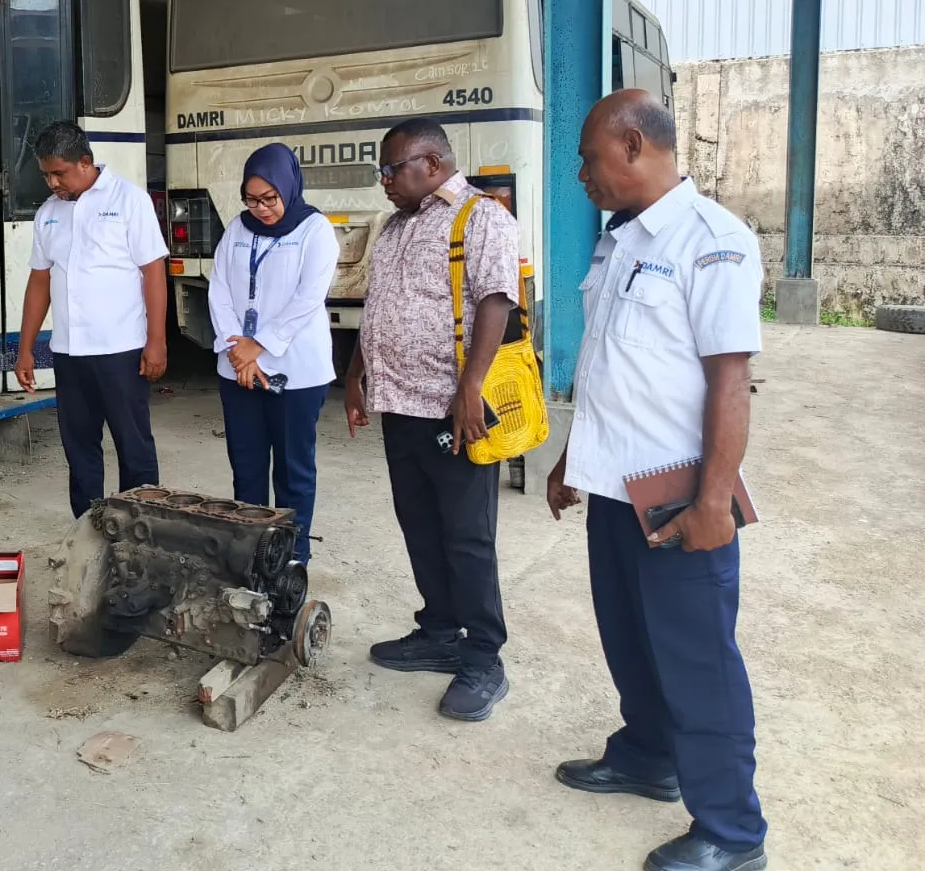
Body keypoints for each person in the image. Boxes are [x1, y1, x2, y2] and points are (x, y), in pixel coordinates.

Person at [546, 89, 769, 871]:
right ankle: (648, 756)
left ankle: (732, 832)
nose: (581, 175)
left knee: (698, 659)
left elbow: (730, 380)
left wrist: (714, 501)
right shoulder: (618, 241)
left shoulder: (712, 241)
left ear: (633, 145)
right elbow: (612, 365)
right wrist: (572, 458)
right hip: (615, 486)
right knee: (630, 637)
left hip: (676, 495)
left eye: (588, 158)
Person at [345, 117, 519, 722]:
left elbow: (495, 301)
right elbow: (380, 307)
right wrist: (357, 374)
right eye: (382, 171)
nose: (385, 181)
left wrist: (470, 388)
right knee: (419, 524)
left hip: (453, 409)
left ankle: (484, 658)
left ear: (434, 164)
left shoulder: (481, 217)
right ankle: (440, 631)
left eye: (393, 169)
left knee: (467, 536)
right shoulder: (395, 226)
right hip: (400, 403)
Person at [16, 121, 168, 518]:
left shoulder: (129, 201)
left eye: (59, 173)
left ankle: (139, 529)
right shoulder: (48, 214)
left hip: (121, 350)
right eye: (46, 175)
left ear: (85, 162)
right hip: (70, 353)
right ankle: (87, 529)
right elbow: (40, 281)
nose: (52, 183)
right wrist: (25, 348)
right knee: (79, 448)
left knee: (133, 445)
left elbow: (153, 272)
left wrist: (156, 341)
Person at [207, 143, 338, 563]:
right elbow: (219, 289)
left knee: (293, 472)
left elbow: (308, 298)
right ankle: (249, 556)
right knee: (246, 470)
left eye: (269, 198)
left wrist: (257, 347)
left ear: (288, 187)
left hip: (295, 372)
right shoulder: (236, 229)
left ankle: (291, 561)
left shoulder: (314, 229)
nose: (261, 209)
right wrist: (238, 350)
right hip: (237, 370)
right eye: (251, 200)